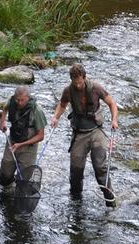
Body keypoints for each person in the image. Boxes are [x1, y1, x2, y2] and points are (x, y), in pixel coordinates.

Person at [50, 63, 119, 206]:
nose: (78, 85)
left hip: (96, 131)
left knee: (100, 166)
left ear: (84, 78)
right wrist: (55, 117)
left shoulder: (95, 88)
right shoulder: (68, 91)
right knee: (75, 170)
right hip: (79, 133)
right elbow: (62, 105)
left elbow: (112, 103)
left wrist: (114, 120)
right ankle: (76, 202)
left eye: (80, 82)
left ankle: (110, 200)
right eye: (75, 82)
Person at [0, 85, 47, 189]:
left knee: (24, 181)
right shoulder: (12, 101)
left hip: (28, 147)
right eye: (17, 100)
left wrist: (21, 144)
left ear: (28, 98)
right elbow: (5, 109)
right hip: (12, 142)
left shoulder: (37, 110)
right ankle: (7, 191)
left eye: (22, 100)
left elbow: (41, 136)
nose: (19, 103)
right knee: (4, 176)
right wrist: (2, 122)